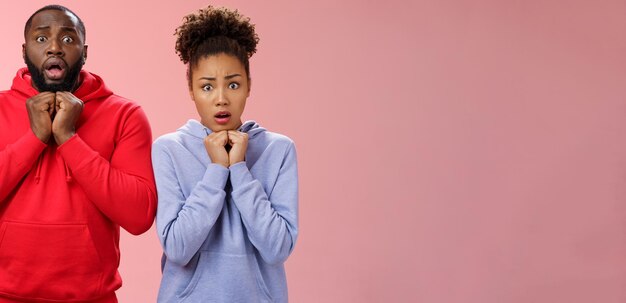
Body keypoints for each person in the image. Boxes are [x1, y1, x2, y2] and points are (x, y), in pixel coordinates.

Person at [0, 5, 156, 302]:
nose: (55, 48)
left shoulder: (125, 114)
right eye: (42, 39)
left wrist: (69, 139)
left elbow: (139, 216)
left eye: (68, 40)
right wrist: (34, 139)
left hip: (92, 297)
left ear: (84, 52)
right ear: (24, 50)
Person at [153, 5, 299, 302]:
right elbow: (178, 248)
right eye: (207, 87)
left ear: (249, 86)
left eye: (233, 84)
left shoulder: (278, 149)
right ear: (191, 90)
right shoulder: (169, 149)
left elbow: (277, 249)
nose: (221, 99)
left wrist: (240, 170)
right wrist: (217, 170)